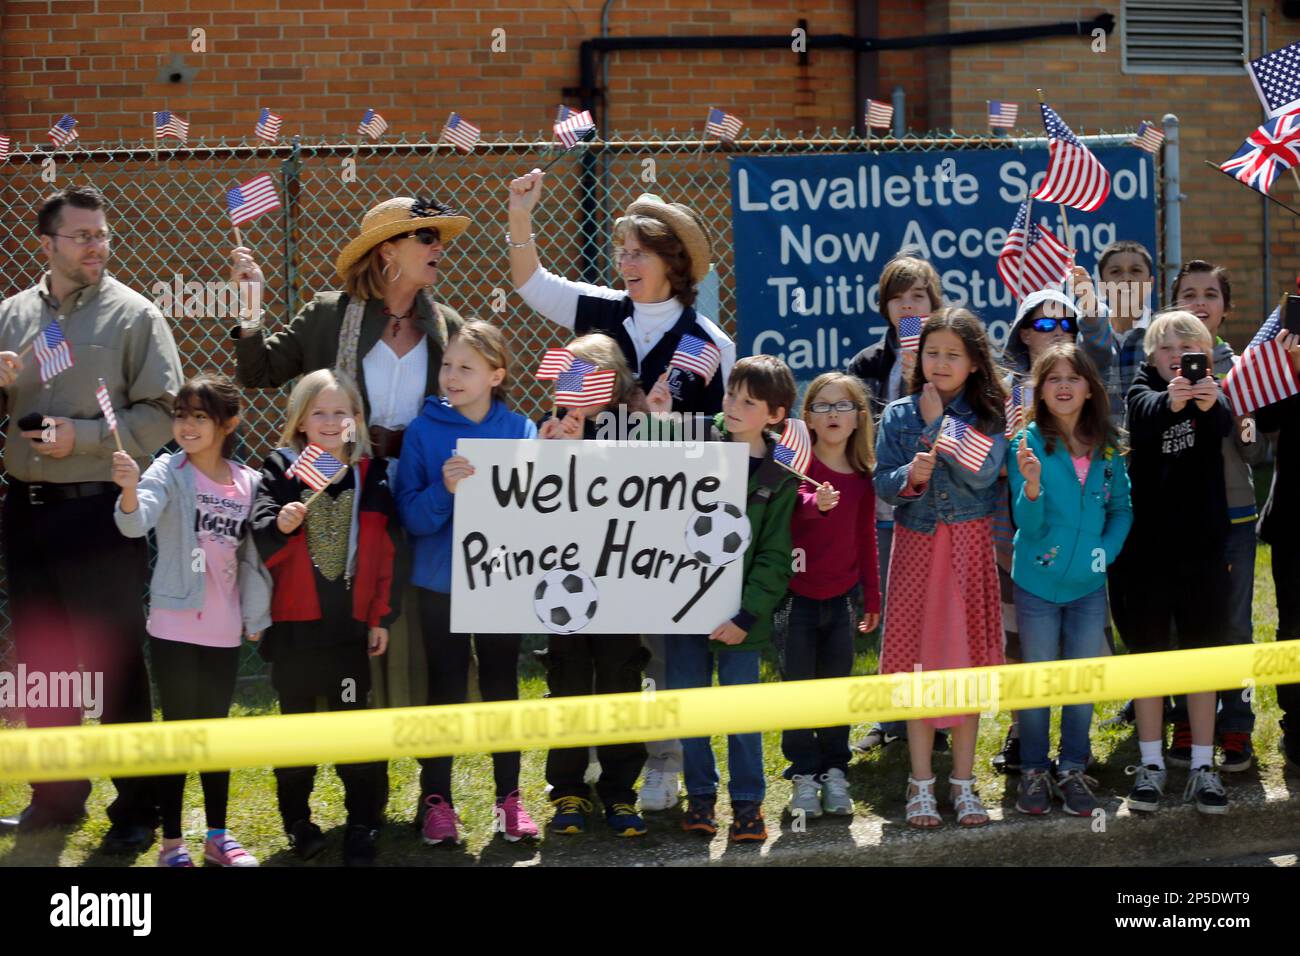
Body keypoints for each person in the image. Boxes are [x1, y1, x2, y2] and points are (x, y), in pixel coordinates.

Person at [508, 171, 731, 809]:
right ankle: (586, 774)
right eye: (622, 251)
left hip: (660, 525)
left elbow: (722, 441)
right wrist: (521, 216)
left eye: (639, 252)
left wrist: (667, 427)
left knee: (656, 651)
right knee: (590, 644)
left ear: (673, 263)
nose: (625, 262)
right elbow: (531, 283)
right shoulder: (601, 311)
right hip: (585, 520)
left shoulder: (710, 344)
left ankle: (660, 763)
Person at [230, 195, 469, 712]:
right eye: (426, 237)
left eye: (440, 237)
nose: (439, 247)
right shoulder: (328, 316)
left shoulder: (446, 326)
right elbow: (258, 373)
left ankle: (424, 762)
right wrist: (249, 308)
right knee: (349, 618)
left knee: (416, 610)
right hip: (349, 491)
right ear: (387, 250)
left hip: (425, 486)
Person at [0, 185, 183, 851]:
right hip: (26, 510)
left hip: (100, 515)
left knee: (114, 666)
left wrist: (81, 438)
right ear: (44, 244)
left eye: (102, 234)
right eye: (81, 236)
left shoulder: (135, 317)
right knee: (43, 663)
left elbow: (162, 418)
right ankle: (54, 797)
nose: (96, 246)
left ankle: (138, 807)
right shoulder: (10, 315)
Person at [111, 371, 270, 867]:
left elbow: (254, 560)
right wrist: (130, 490)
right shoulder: (166, 471)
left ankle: (218, 837)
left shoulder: (249, 482)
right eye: (181, 416)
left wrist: (256, 616)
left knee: (214, 733)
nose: (187, 426)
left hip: (223, 629)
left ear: (228, 423)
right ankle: (173, 844)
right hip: (174, 626)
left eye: (200, 417)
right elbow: (133, 523)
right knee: (178, 733)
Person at [395, 321, 539, 845]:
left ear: (496, 375)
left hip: (501, 582)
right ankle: (438, 801)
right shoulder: (422, 431)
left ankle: (510, 801)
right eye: (447, 365)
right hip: (441, 585)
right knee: (445, 688)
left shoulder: (522, 431)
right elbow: (411, 516)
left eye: (466, 368)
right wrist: (445, 490)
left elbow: (536, 512)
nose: (451, 376)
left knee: (502, 686)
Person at [250, 369, 401, 864]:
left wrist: (380, 615)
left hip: (347, 631)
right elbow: (260, 526)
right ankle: (298, 820)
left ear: (357, 420)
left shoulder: (370, 473)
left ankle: (363, 821)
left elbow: (385, 551)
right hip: (294, 628)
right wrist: (282, 521)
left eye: (342, 412)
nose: (331, 421)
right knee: (296, 730)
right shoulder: (282, 467)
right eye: (320, 412)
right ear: (299, 420)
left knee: (353, 725)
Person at [874, 307, 1009, 828]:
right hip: (917, 547)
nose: (941, 363)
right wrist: (911, 473)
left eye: (954, 354)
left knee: (965, 660)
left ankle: (964, 781)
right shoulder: (897, 414)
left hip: (969, 547)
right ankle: (921, 782)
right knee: (918, 663)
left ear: (975, 362)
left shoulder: (988, 413)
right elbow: (883, 483)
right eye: (932, 353)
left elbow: (985, 474)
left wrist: (939, 427)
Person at [671, 355, 800, 842]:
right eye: (729, 395)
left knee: (742, 715)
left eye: (748, 402)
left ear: (775, 415)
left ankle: (748, 803)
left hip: (744, 622)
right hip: (681, 611)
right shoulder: (694, 445)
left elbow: (774, 555)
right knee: (691, 707)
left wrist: (746, 614)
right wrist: (660, 416)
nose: (732, 406)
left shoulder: (779, 475)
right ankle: (701, 796)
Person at [1109, 312, 1232, 814]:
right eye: (1167, 351)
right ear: (1151, 356)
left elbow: (1228, 425)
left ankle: (1204, 764)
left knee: (1203, 657)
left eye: (1189, 352)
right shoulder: (1143, 389)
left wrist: (1209, 401)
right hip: (1145, 554)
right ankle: (1151, 763)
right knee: (1150, 658)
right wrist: (1172, 399)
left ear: (1206, 354)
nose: (1178, 360)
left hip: (1202, 550)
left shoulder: (1213, 394)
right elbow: (1141, 412)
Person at [535, 334, 657, 837]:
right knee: (567, 683)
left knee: (619, 683)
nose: (574, 383)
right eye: (568, 372)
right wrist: (544, 452)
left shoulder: (634, 428)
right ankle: (566, 789)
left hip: (620, 585)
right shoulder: (549, 428)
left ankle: (619, 792)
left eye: (586, 373)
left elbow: (655, 484)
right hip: (562, 588)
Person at [1007, 344, 1132, 816]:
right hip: (1037, 587)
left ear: (1089, 388)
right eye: (1053, 377)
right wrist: (1033, 486)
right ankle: (1035, 769)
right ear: (1039, 389)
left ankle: (1073, 766)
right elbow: (1029, 525)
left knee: (1081, 680)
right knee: (1039, 679)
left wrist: (1106, 552)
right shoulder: (1029, 443)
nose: (1063, 385)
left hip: (1087, 587)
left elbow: (1121, 509)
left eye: (1073, 377)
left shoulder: (1106, 445)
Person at [1169, 260, 1265, 771]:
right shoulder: (1160, 370)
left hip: (1233, 517)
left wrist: (1233, 410)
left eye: (1210, 294)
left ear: (1225, 310)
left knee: (1232, 623)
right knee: (1186, 624)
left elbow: (1255, 453)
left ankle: (1235, 727)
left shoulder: (1243, 370)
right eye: (1188, 294)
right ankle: (1187, 722)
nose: (1199, 302)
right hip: (1181, 521)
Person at [847, 253, 944, 755]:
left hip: (937, 512)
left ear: (934, 303)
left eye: (919, 297)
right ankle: (891, 717)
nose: (909, 306)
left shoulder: (947, 357)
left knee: (935, 612)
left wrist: (921, 375)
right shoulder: (868, 363)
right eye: (899, 297)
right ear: (885, 306)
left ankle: (938, 720)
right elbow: (863, 432)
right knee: (895, 613)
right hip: (887, 508)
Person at [990, 288, 1087, 773]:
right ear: (1025, 332)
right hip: (1014, 538)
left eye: (1067, 322)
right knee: (1019, 641)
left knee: (1072, 642)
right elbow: (994, 463)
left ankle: (1074, 748)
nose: (1057, 331)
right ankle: (1019, 736)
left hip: (1072, 542)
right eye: (1045, 324)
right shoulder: (1002, 390)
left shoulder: (1081, 390)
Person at [779, 372, 880, 820]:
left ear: (859, 419)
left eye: (843, 406)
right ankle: (803, 773)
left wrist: (873, 599)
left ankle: (835, 770)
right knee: (798, 689)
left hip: (841, 602)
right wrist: (810, 503)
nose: (833, 413)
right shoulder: (796, 466)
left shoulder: (861, 477)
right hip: (795, 600)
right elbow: (786, 512)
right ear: (809, 420)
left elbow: (866, 542)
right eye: (822, 406)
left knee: (837, 689)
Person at [1253, 325, 1300, 771]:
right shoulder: (1286, 349)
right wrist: (1290, 370)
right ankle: (1297, 727)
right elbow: (1264, 423)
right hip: (1294, 520)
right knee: (1295, 629)